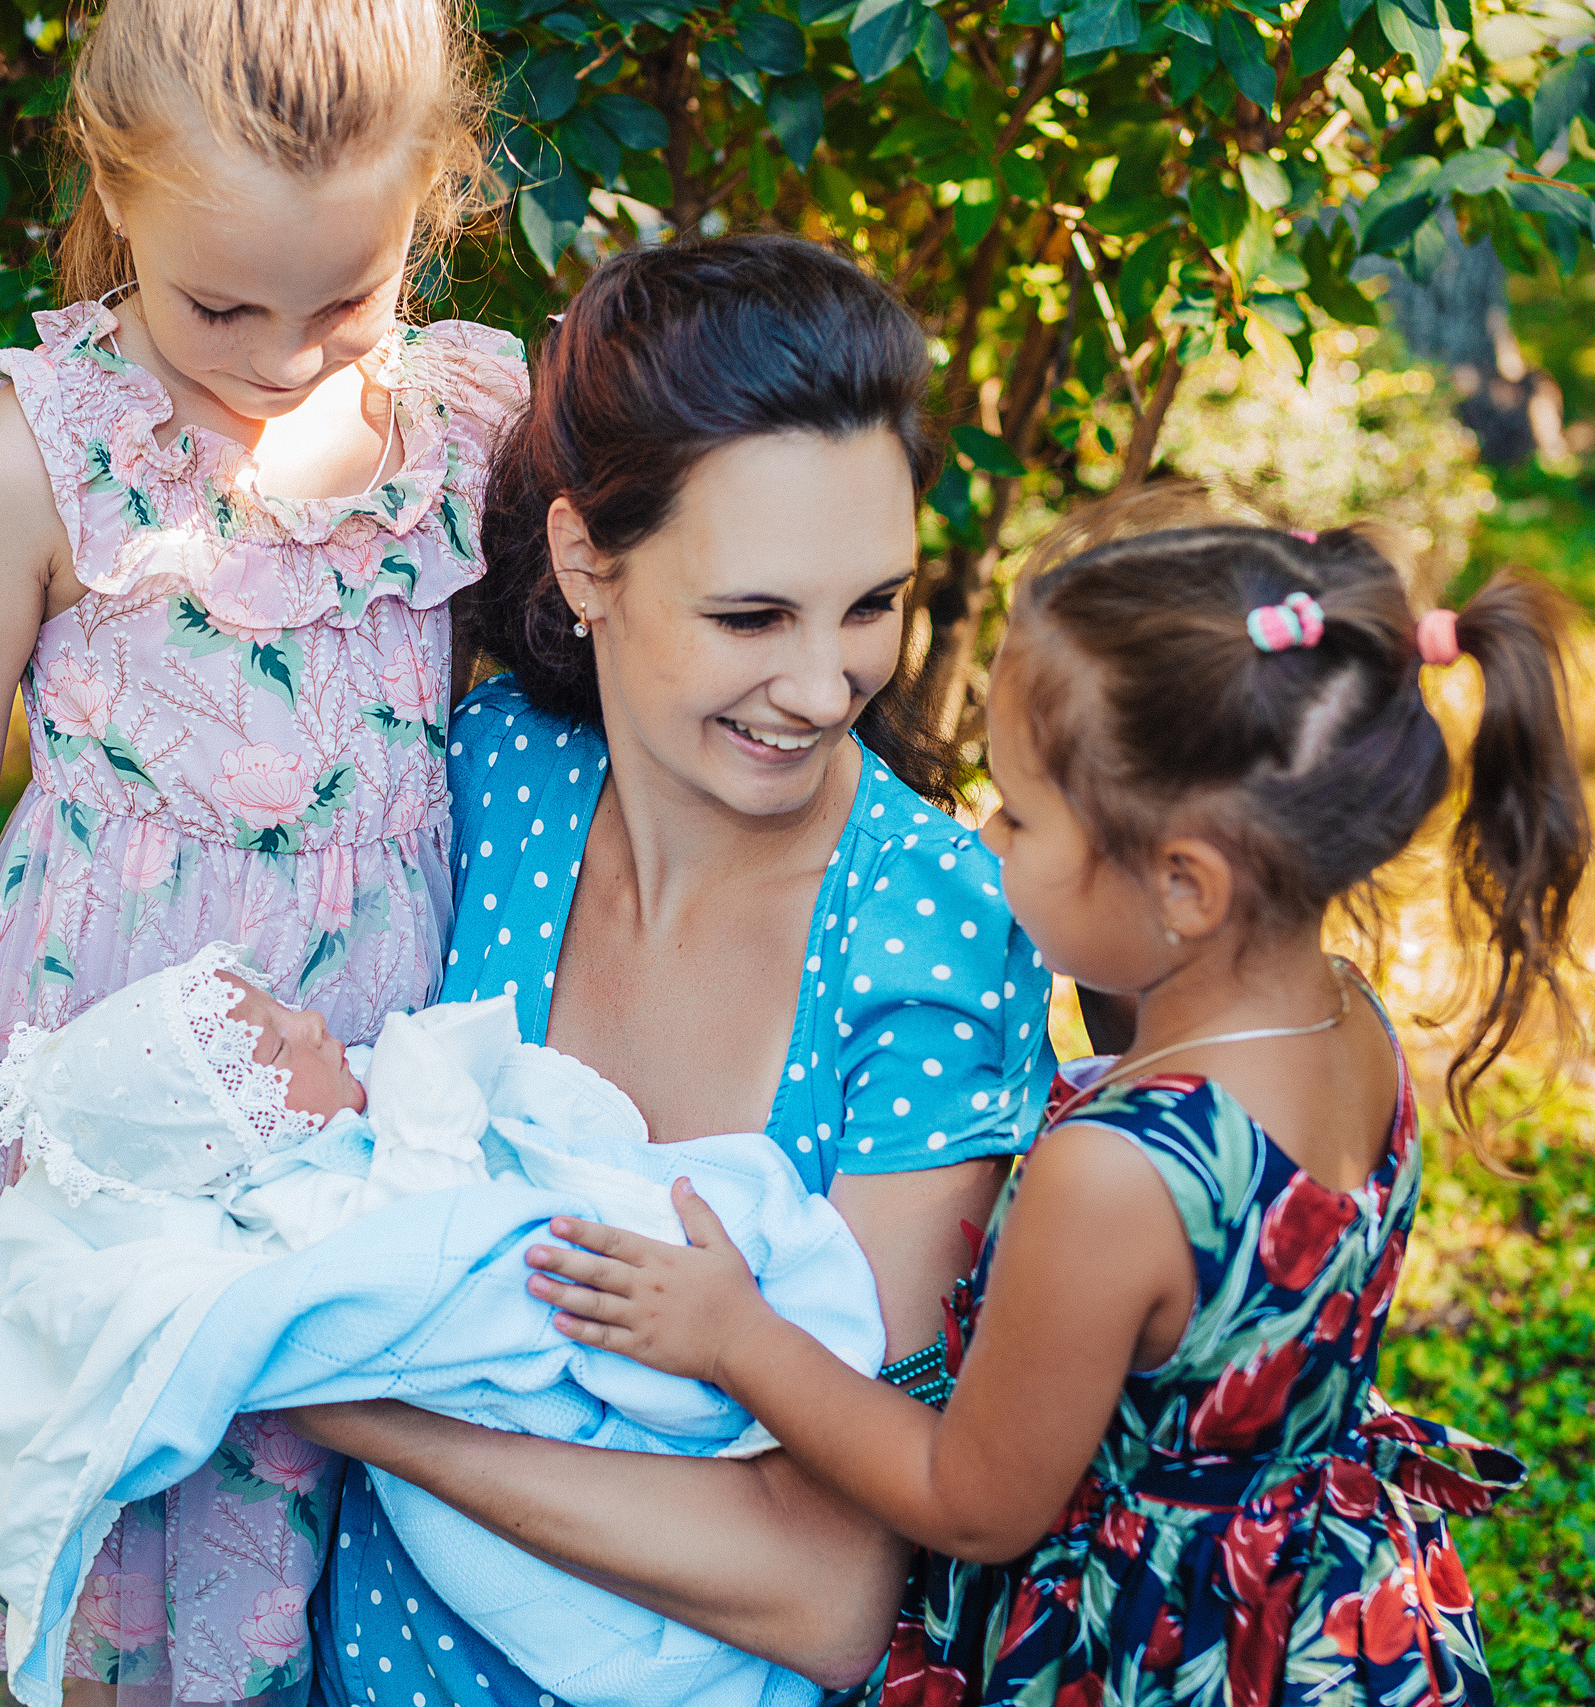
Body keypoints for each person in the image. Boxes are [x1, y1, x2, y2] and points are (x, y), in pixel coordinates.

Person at [0, 1, 525, 1698]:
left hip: (356, 1105)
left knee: (324, 1532)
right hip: (102, 1119)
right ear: (116, 192)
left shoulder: (467, 430)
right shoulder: (40, 454)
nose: (285, 358)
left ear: (433, 198)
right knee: (106, 1548)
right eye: (219, 306)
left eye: (349, 299)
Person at [522, 494, 1589, 1707]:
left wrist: (734, 1337)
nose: (986, 841)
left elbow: (970, 1501)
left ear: (1185, 889)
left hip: (1155, 1645)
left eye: (1022, 816)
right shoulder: (1348, 1025)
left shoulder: (1112, 1178)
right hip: (1319, 1604)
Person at [285, 234, 1063, 1705]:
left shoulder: (933, 930)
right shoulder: (489, 776)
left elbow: (830, 1590)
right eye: (752, 615)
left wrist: (348, 1399)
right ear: (588, 561)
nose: (826, 688)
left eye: (873, 604)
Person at [0, 945, 892, 1707]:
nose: (311, 1023)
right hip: (513, 1388)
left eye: (284, 1005)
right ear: (235, 1131)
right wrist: (425, 1092)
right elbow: (428, 1254)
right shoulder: (297, 1211)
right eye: (278, 1047)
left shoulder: (336, 1140)